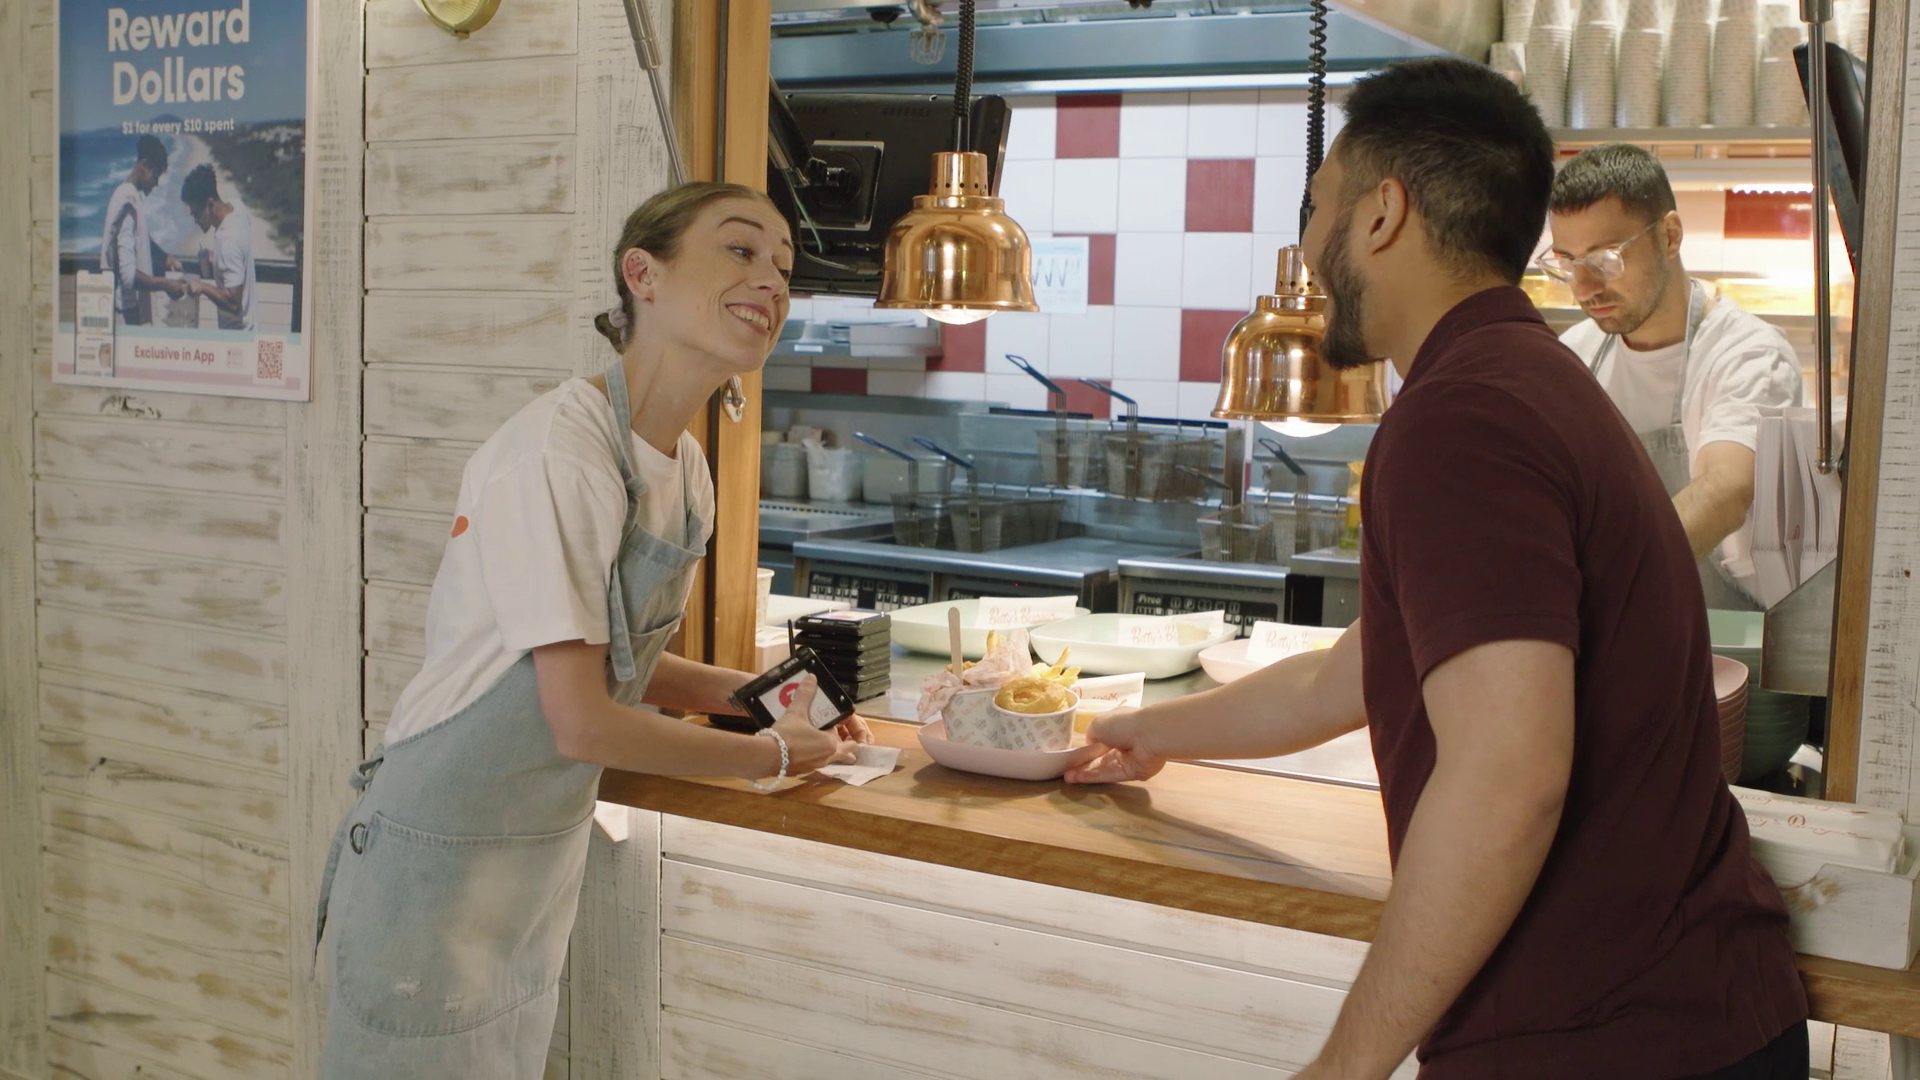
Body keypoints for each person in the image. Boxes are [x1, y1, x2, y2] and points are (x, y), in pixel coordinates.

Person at [1068, 58, 1807, 1079]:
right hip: (1692, 1015)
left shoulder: (1460, 419)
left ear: (1382, 214)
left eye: (1318, 208)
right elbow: (1348, 676)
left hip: (1608, 1043)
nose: (1310, 249)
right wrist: (1145, 733)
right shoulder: (1528, 378)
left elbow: (1507, 778)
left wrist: (1346, 1065)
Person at [314, 182, 869, 1079]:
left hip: (532, 863)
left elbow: (626, 661)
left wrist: (774, 706)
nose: (770, 280)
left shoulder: (685, 468)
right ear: (640, 274)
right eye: (739, 250)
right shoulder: (557, 454)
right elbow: (581, 720)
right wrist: (767, 760)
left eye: (784, 265)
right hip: (434, 859)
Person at [1545, 144, 1805, 610]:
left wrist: (1599, 586)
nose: (1583, 289)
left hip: (1727, 642)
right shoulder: (1573, 359)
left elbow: (1725, 489)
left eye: (1605, 261)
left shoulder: (1748, 354)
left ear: (1669, 236)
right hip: (1617, 639)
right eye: (1567, 263)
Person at [99, 134, 185, 324]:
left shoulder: (126, 195)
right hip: (126, 315)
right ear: (144, 165)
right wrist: (167, 284)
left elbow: (141, 239)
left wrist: (164, 258)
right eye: (156, 176)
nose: (156, 184)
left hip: (128, 312)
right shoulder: (127, 203)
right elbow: (129, 277)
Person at [179, 164, 259, 332]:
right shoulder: (238, 208)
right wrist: (218, 259)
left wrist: (203, 287)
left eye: (196, 215)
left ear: (210, 204)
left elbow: (234, 303)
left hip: (239, 336)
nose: (196, 221)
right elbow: (238, 253)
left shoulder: (228, 241)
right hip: (251, 329)